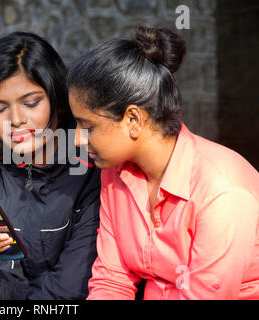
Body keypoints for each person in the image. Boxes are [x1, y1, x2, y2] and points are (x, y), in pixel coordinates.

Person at [67, 25, 259, 300]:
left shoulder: (222, 190)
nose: (76, 140)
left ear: (133, 120)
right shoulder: (115, 174)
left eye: (87, 126)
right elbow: (112, 281)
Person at [0, 32, 101, 300]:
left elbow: (72, 285)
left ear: (57, 99)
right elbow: (3, 279)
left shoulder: (93, 161)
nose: (17, 119)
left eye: (31, 103)